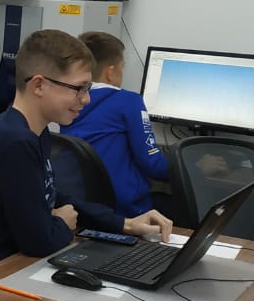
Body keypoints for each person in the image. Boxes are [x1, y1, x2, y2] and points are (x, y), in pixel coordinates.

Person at [0, 29, 173, 281]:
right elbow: (39, 241)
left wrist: (125, 223)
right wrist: (62, 222)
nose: (86, 99)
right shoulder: (14, 141)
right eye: (79, 89)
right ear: (39, 85)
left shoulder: (34, 131)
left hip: (14, 261)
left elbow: (53, 196)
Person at [60, 31, 173, 218]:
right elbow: (152, 165)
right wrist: (192, 167)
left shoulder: (69, 100)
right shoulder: (128, 101)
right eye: (123, 67)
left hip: (80, 207)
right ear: (110, 72)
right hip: (126, 211)